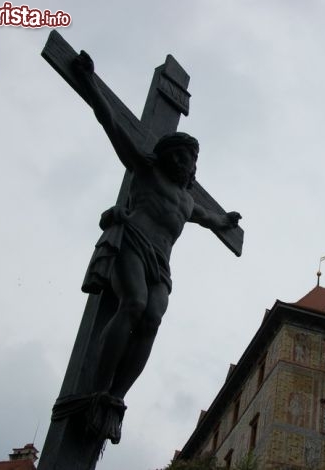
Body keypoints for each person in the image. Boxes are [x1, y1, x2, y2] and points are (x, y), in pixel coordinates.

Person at [73, 50, 241, 405]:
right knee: (132, 304)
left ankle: (116, 396)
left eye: (189, 157)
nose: (183, 161)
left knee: (151, 320)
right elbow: (112, 124)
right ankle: (97, 389)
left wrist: (228, 221)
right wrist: (89, 82)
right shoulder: (147, 172)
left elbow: (213, 220)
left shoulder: (188, 202)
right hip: (132, 242)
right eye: (178, 155)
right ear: (165, 157)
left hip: (161, 265)